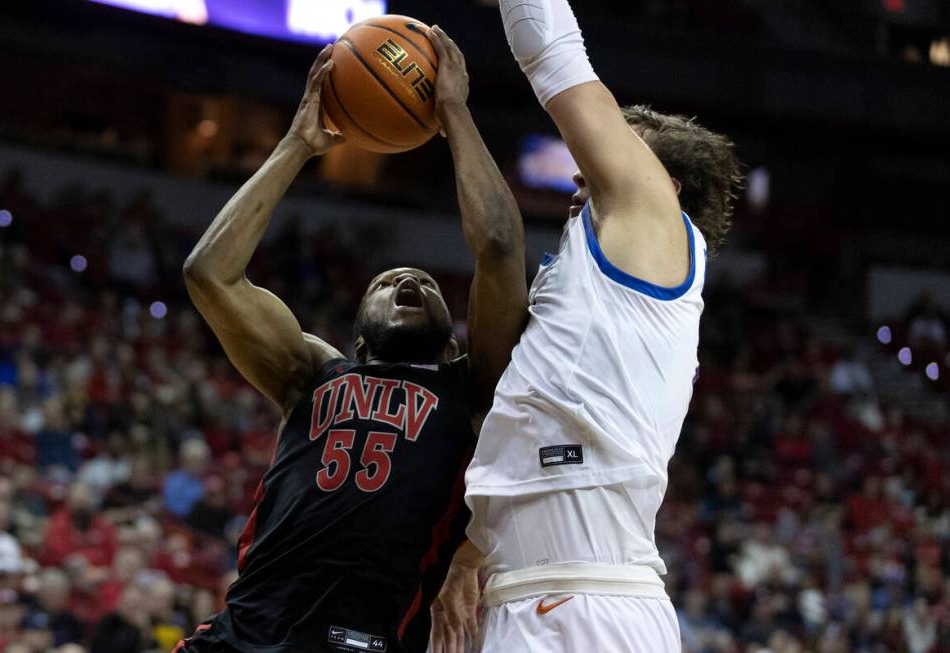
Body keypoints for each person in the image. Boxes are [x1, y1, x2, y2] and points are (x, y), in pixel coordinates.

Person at [175, 29, 526, 653]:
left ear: (452, 340)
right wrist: (297, 145)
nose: (408, 279)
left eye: (422, 282)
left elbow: (498, 247)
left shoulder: (472, 389)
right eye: (388, 280)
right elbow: (210, 274)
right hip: (240, 633)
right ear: (359, 332)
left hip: (363, 639)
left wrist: (453, 112)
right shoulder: (310, 372)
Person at [432, 2, 743, 652]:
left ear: (666, 188)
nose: (584, 174)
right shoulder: (585, 290)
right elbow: (521, 422)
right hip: (521, 596)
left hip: (589, 602)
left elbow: (555, 57)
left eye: (603, 167)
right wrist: (472, 550)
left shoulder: (654, 222)